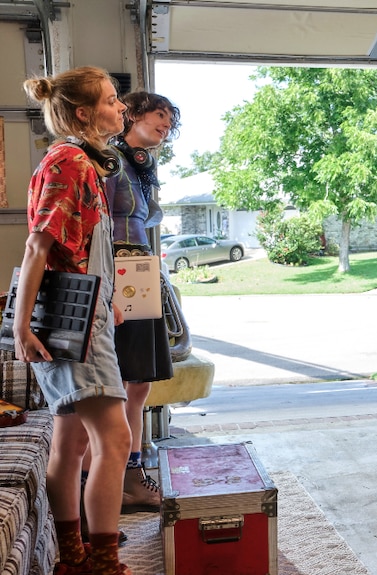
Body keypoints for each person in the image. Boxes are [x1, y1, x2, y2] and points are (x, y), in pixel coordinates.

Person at [15, 66, 132, 575]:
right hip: (77, 330)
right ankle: (103, 564)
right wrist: (20, 327)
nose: (121, 107)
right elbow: (37, 246)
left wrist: (107, 299)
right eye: (111, 101)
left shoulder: (73, 160)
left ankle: (73, 560)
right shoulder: (72, 163)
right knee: (117, 440)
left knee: (72, 439)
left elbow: (73, 251)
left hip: (83, 317)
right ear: (84, 114)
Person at [100, 91, 181, 513]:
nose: (166, 125)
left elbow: (147, 216)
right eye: (159, 116)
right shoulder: (112, 160)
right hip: (119, 272)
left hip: (139, 272)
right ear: (130, 115)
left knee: (140, 382)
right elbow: (102, 220)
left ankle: (133, 474)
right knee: (122, 383)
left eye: (170, 120)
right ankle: (122, 479)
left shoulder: (139, 165)